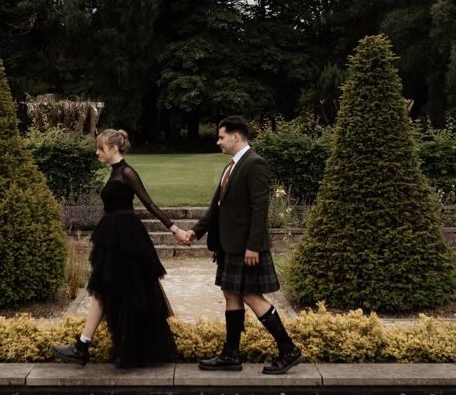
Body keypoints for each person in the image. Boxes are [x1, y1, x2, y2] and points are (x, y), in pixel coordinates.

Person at [51, 128, 189, 367]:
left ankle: (86, 346)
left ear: (114, 148)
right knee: (105, 289)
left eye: (100, 148)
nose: (97, 152)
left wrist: (174, 229)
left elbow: (148, 203)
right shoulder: (116, 172)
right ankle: (84, 345)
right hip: (115, 236)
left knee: (119, 290)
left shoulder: (126, 172)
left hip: (125, 238)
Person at [183, 115, 303, 374]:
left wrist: (253, 246)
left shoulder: (254, 164)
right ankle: (231, 355)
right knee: (231, 294)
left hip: (245, 247)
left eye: (221, 136)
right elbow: (217, 207)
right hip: (229, 245)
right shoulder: (231, 167)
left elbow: (260, 208)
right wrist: (195, 232)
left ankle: (288, 349)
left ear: (235, 136)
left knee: (250, 295)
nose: (218, 142)